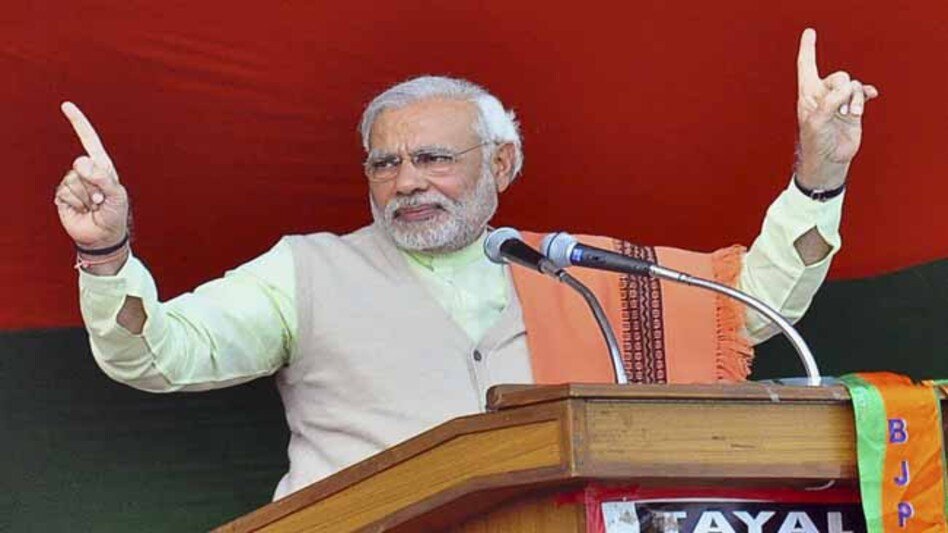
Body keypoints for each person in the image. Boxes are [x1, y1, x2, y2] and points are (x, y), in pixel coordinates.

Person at [53, 28, 878, 498]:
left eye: (434, 158)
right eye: (385, 163)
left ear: (502, 164)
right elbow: (158, 353)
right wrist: (105, 251)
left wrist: (820, 174)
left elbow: (757, 308)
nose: (407, 181)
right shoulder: (303, 271)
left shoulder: (573, 270)